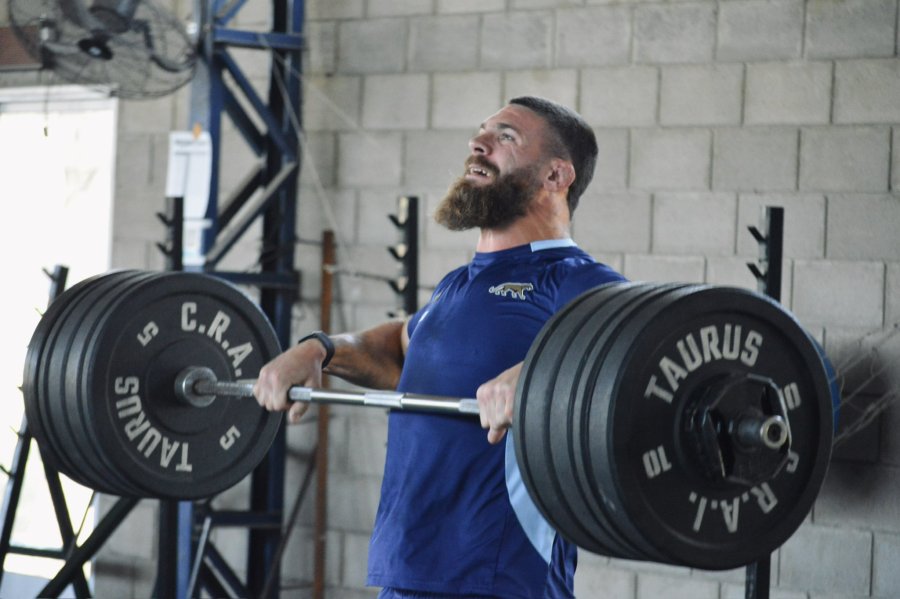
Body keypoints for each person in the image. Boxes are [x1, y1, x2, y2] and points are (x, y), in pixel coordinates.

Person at [254, 96, 627, 598]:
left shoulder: (576, 281)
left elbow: (637, 353)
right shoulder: (457, 285)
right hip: (406, 570)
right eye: (482, 132)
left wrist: (545, 373)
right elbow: (403, 351)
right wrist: (320, 349)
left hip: (498, 579)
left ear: (557, 176)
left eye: (506, 137)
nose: (479, 144)